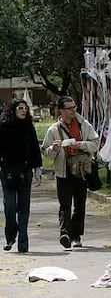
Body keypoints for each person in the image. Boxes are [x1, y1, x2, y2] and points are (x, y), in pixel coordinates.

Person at [42, 96, 99, 249]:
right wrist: (53, 149)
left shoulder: (83, 125)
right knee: (64, 205)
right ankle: (65, 234)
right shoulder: (53, 129)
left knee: (80, 206)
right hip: (63, 171)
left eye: (74, 107)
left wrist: (80, 144)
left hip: (81, 170)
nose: (73, 110)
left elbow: (95, 144)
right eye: (70, 108)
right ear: (62, 110)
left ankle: (76, 235)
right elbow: (45, 152)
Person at [0, 99, 42, 253]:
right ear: (13, 110)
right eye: (20, 108)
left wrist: (38, 170)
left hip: (25, 172)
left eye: (25, 108)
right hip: (8, 172)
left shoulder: (28, 127)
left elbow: (35, 149)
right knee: (10, 207)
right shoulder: (4, 127)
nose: (23, 111)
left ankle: (23, 244)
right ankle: (11, 236)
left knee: (24, 210)